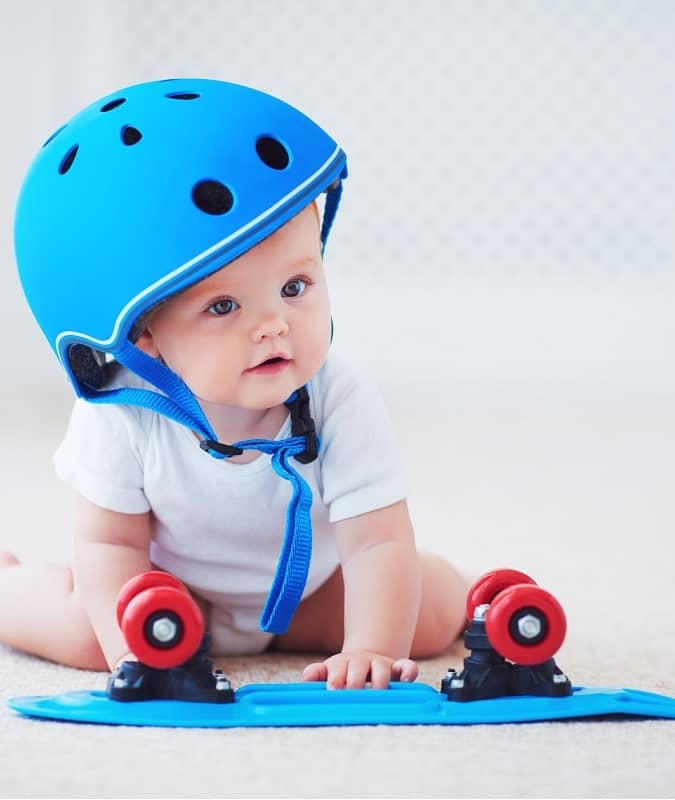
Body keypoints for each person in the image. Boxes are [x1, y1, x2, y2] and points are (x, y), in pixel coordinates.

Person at [3, 78, 468, 689]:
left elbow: (376, 541)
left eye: (295, 287)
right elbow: (111, 548)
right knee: (89, 632)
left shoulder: (339, 399)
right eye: (223, 307)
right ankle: (10, 587)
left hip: (306, 593)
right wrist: (130, 653)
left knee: (426, 617)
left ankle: (462, 591)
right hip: (172, 597)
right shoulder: (123, 413)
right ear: (143, 335)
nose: (273, 325)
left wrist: (372, 648)